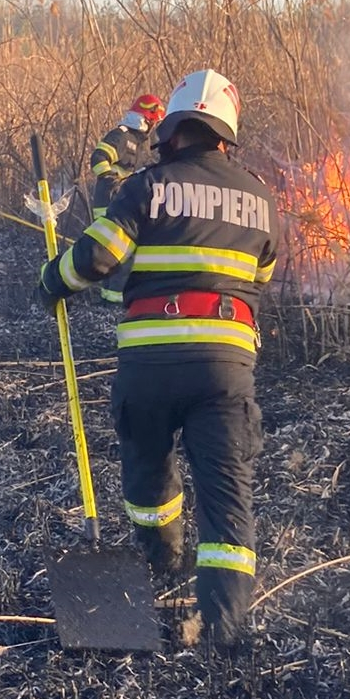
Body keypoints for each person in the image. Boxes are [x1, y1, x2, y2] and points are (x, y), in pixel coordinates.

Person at [35, 68, 279, 652]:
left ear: (170, 131)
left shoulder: (146, 186)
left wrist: (52, 281)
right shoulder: (261, 198)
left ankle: (162, 565)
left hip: (150, 364)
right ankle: (222, 630)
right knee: (227, 495)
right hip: (225, 367)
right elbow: (260, 278)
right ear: (225, 136)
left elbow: (97, 257)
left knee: (148, 473)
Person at [89, 93, 165, 303]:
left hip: (124, 203)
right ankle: (112, 304)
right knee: (118, 255)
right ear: (145, 119)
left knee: (124, 255)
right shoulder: (122, 136)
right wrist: (109, 178)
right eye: (153, 122)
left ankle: (115, 299)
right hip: (110, 203)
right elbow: (98, 157)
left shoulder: (139, 142)